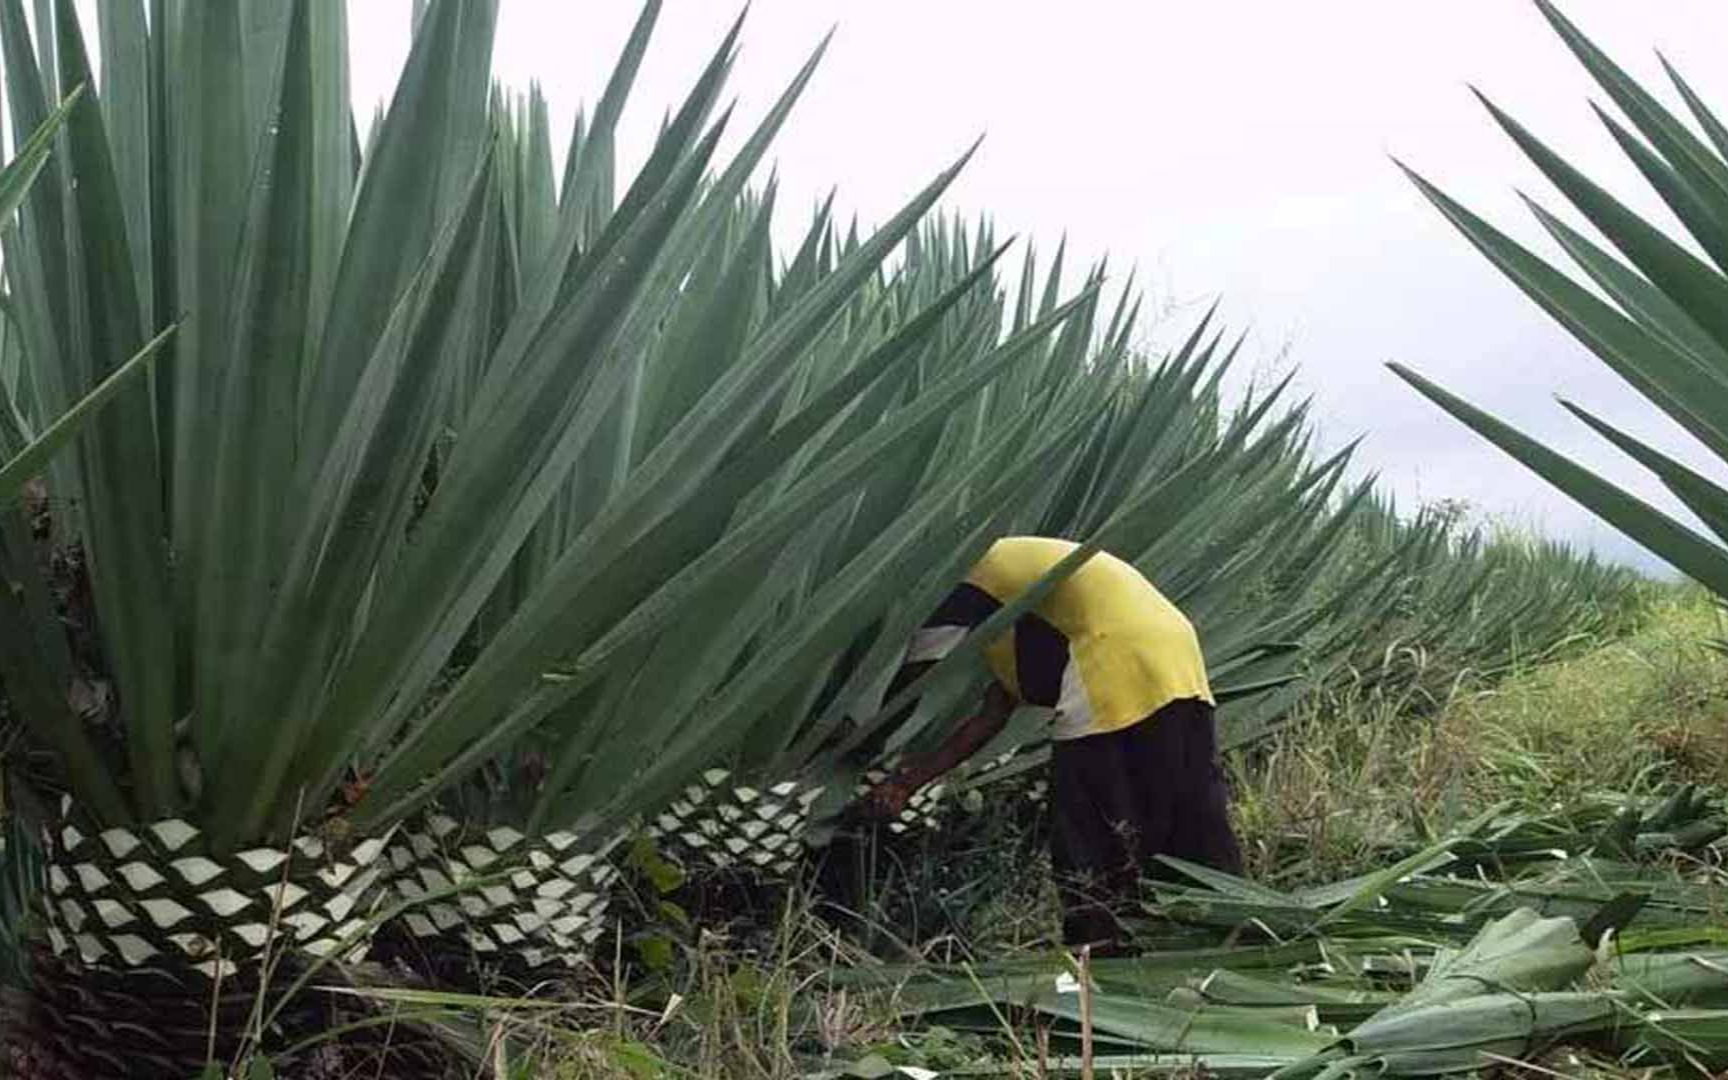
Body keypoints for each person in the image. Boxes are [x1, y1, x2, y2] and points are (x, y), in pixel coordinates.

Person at [858, 535, 1242, 955]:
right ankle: (1229, 924)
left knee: (1087, 821)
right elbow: (989, 719)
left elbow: (913, 677)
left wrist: (864, 736)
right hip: (1176, 652)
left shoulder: (968, 578)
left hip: (1110, 652)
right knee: (1188, 803)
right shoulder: (1018, 613)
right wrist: (912, 782)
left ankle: (1100, 950)